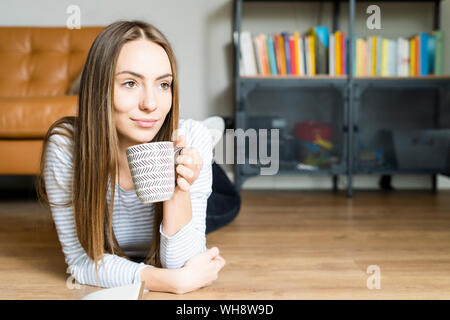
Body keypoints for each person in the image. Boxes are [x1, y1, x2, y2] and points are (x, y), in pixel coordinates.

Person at [37, 20, 227, 294]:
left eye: (164, 85)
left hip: (192, 159)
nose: (150, 104)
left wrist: (178, 189)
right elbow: (80, 262)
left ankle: (213, 132)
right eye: (130, 83)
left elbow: (181, 262)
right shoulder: (66, 146)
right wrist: (172, 282)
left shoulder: (191, 140)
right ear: (98, 89)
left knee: (228, 204)